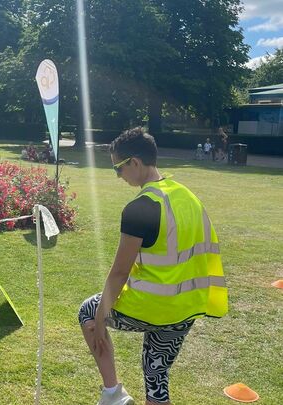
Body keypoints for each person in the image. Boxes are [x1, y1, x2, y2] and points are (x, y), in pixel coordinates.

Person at [78, 127, 227, 405]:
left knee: (88, 310)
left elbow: (120, 271)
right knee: (156, 374)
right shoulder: (187, 196)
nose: (118, 176)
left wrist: (99, 320)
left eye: (118, 169)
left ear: (134, 162)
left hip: (152, 306)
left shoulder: (141, 207)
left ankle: (112, 394)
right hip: (187, 307)